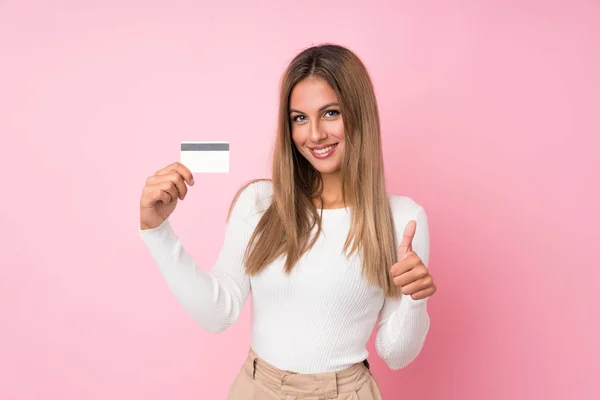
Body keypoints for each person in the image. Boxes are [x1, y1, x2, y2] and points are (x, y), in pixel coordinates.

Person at [138, 44, 437, 400]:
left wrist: (415, 301)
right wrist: (157, 232)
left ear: (360, 113)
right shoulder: (260, 204)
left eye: (330, 113)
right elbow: (218, 312)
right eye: (299, 118)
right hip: (257, 388)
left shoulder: (402, 219)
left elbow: (397, 354)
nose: (314, 135)